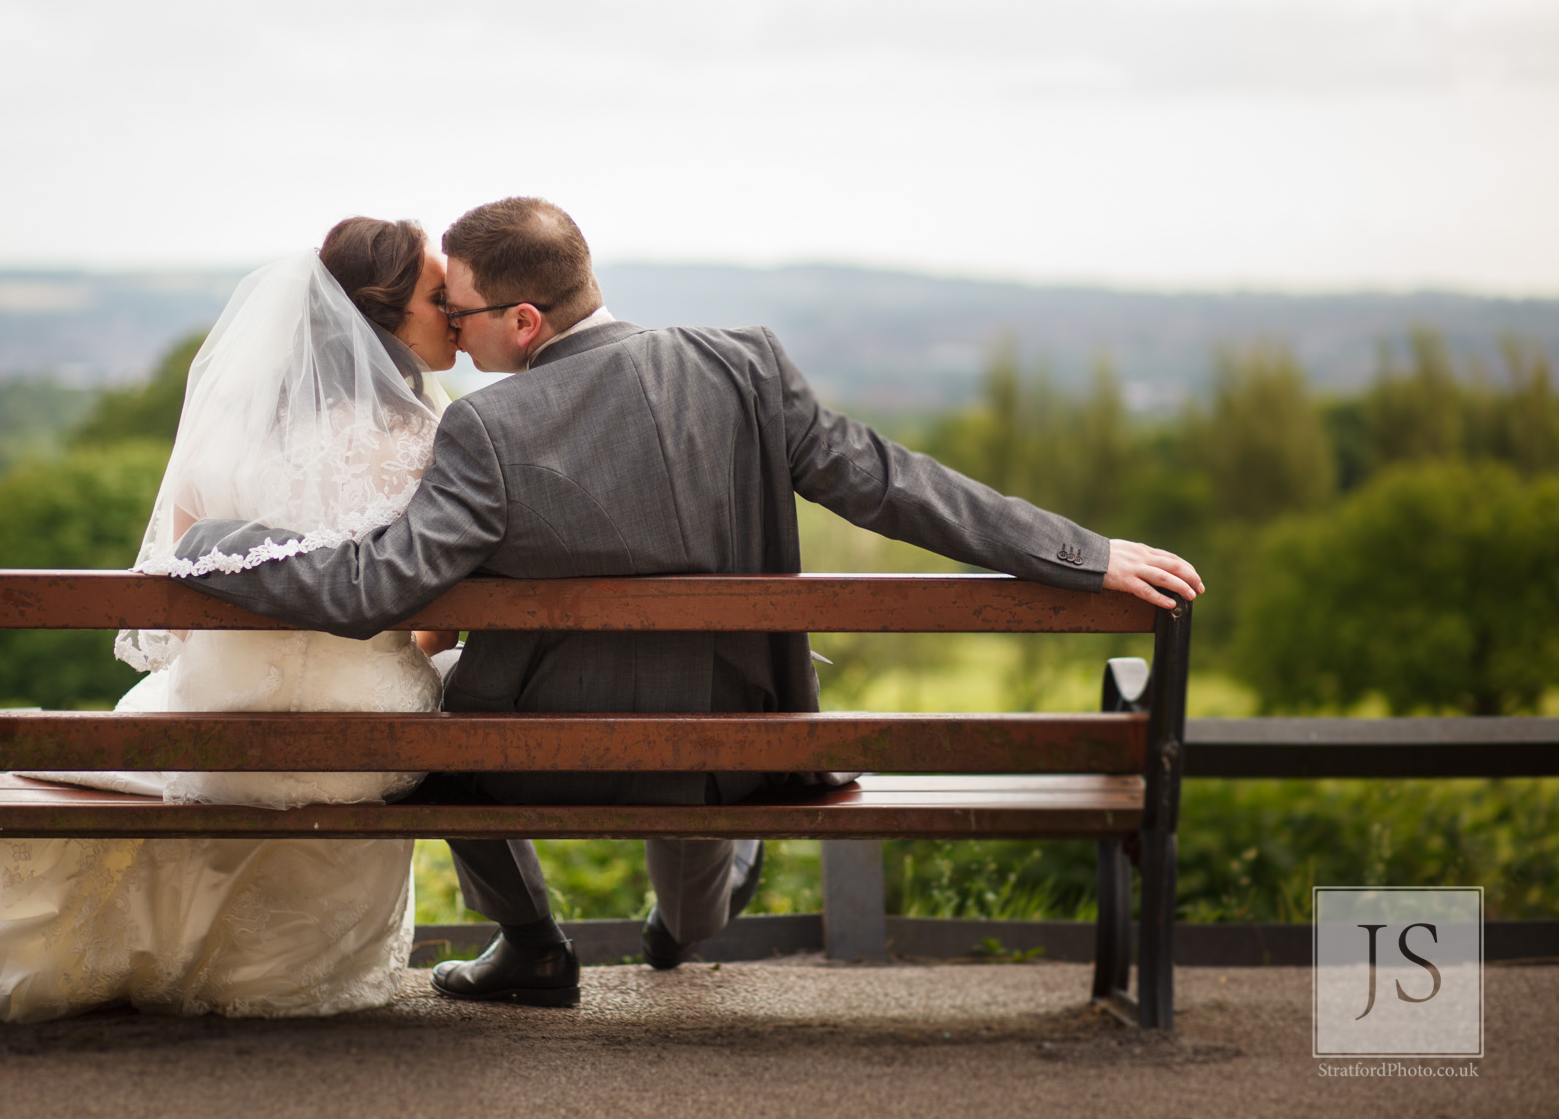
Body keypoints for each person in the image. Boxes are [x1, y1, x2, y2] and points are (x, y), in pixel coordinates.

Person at [173, 196, 1205, 1008]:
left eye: (464, 312)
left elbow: (369, 591)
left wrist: (221, 548)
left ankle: (533, 948)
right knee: (686, 712)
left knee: (424, 713)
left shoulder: (486, 433)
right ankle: (696, 917)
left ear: (522, 319)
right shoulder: (746, 368)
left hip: (535, 757)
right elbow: (891, 482)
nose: (452, 328)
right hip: (741, 751)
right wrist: (1079, 551)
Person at [0, 216, 462, 1022]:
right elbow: (437, 621)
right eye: (437, 295)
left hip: (220, 736)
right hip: (366, 749)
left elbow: (174, 605)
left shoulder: (232, 442)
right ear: (382, 314)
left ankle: (115, 942)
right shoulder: (432, 440)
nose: (454, 306)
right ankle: (271, 959)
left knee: (152, 719)